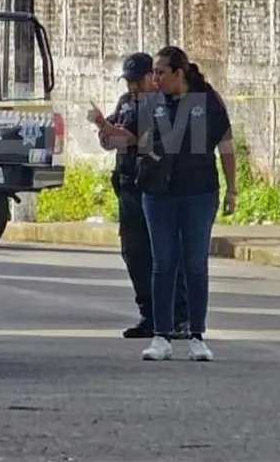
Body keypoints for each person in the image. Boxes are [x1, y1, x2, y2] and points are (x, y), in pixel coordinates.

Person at [137, 46, 237, 362]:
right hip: (158, 194)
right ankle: (161, 336)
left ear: (179, 73)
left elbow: (226, 148)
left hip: (199, 193)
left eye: (161, 72)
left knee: (195, 265)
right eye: (153, 72)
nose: (155, 78)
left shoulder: (207, 102)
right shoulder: (150, 103)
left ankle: (197, 336)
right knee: (163, 264)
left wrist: (232, 189)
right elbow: (138, 142)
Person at [89, 53, 188, 340]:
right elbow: (111, 139)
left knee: (165, 253)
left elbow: (131, 138)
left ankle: (180, 316)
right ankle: (150, 315)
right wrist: (106, 131)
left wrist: (107, 130)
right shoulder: (125, 101)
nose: (132, 86)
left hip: (155, 186)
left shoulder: (159, 104)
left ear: (151, 77)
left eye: (137, 80)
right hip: (127, 185)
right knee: (134, 253)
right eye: (128, 81)